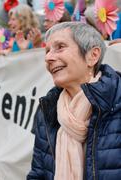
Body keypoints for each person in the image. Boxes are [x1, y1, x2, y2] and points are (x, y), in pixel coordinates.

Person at [27, 22, 121, 180]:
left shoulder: (116, 103)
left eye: (60, 47)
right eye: (47, 51)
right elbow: (38, 172)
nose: (48, 57)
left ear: (93, 56)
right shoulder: (47, 108)